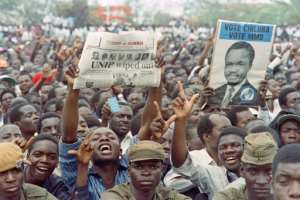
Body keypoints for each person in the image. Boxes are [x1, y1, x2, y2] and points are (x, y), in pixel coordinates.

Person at [101, 140, 191, 200]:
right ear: (129, 171)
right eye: (139, 167)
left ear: (162, 169)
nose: (146, 172)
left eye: (153, 167)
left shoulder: (167, 195)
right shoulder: (114, 196)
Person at [213, 132, 278, 200]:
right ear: (242, 170)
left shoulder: (287, 195)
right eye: (253, 172)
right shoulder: (227, 197)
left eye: (269, 171)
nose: (261, 181)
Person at [209, 41, 257, 107]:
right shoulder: (213, 92)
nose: (233, 70)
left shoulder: (255, 96)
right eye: (229, 64)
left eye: (240, 64)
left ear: (250, 66)